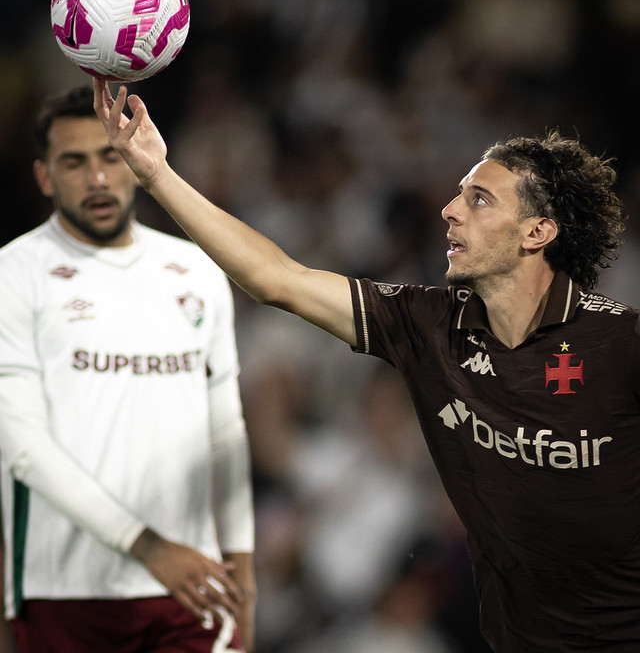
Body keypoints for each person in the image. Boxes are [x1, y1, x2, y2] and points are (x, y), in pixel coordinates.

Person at [94, 79, 640, 653]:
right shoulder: (428, 326)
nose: (450, 211)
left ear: (537, 232)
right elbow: (278, 279)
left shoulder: (620, 344)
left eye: (480, 199)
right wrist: (156, 173)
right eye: (458, 194)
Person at [0, 86, 256, 653]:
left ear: (135, 160)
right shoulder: (13, 273)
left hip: (197, 588)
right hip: (64, 588)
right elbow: (21, 446)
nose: (97, 178)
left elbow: (225, 431)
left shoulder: (195, 269)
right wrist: (147, 547)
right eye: (74, 161)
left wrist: (243, 569)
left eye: (110, 156)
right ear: (44, 177)